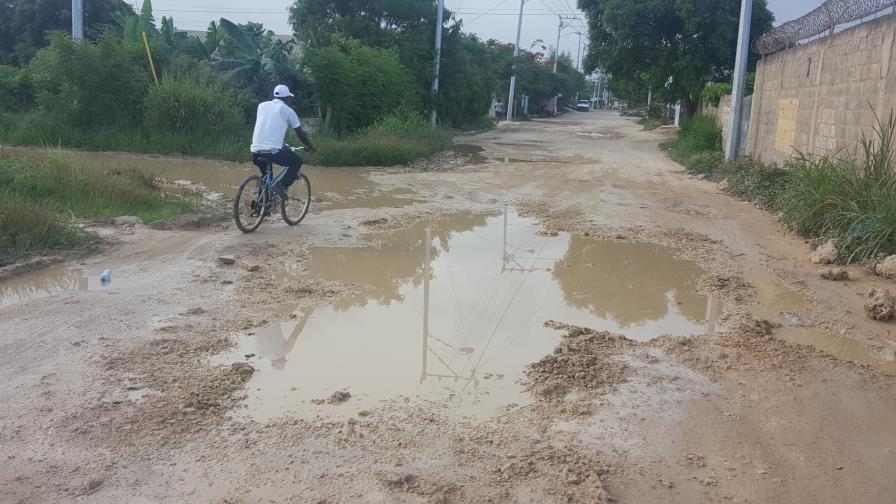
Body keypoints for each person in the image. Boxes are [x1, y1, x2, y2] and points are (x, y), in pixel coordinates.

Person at [250, 84, 315, 199]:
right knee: (296, 162)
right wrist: (310, 146)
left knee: (266, 175)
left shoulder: (261, 106)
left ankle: (262, 207)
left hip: (255, 150)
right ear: (287, 98)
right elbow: (300, 133)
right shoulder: (288, 111)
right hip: (272, 150)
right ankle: (281, 186)